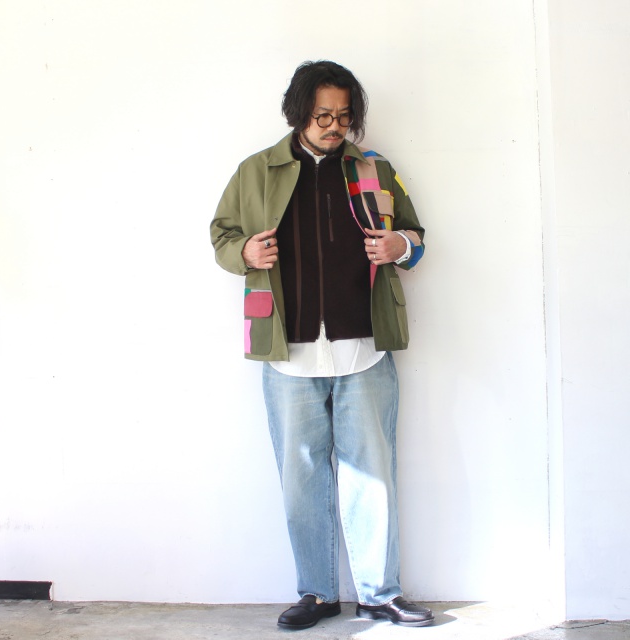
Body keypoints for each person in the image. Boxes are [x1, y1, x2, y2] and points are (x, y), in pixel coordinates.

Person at [210, 60, 432, 630]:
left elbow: (416, 236)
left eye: (343, 116)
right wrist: (244, 254)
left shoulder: (374, 169)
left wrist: (400, 245)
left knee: (374, 476)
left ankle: (380, 594)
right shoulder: (256, 171)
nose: (334, 126)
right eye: (322, 116)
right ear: (298, 114)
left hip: (365, 347)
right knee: (301, 481)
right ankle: (317, 593)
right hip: (287, 351)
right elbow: (222, 235)